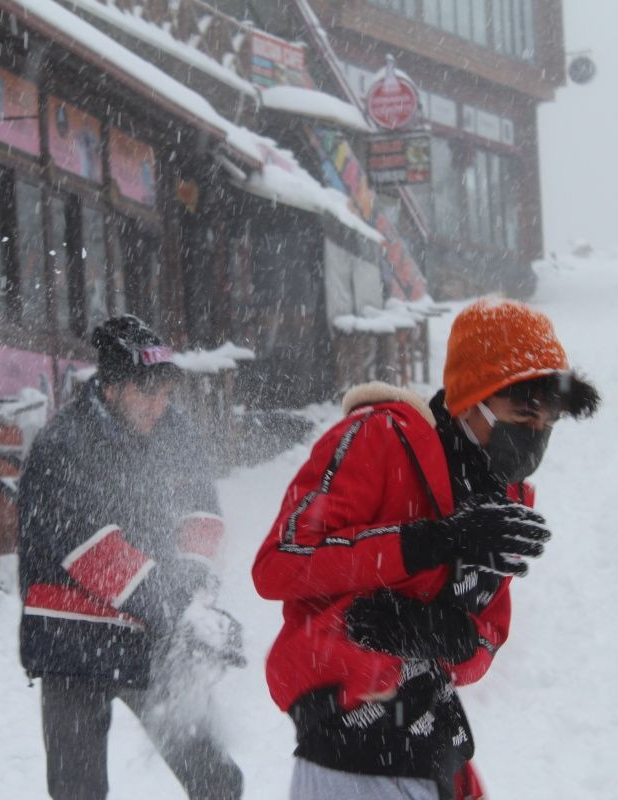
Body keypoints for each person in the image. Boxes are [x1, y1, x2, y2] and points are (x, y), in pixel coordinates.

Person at [252, 298, 599, 800]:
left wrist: (449, 639)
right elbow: (279, 566)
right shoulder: (380, 438)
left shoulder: (506, 498)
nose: (534, 435)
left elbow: (489, 636)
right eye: (523, 414)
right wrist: (427, 543)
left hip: (433, 744)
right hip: (347, 745)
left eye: (547, 422)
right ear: (469, 398)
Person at [19, 315, 244, 800]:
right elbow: (93, 552)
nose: (160, 406)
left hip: (151, 637)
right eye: (148, 394)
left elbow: (202, 514)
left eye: (167, 394)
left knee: (217, 781)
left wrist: (195, 592)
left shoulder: (173, 431)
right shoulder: (62, 446)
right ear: (113, 388)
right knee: (78, 793)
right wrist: (178, 610)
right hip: (72, 642)